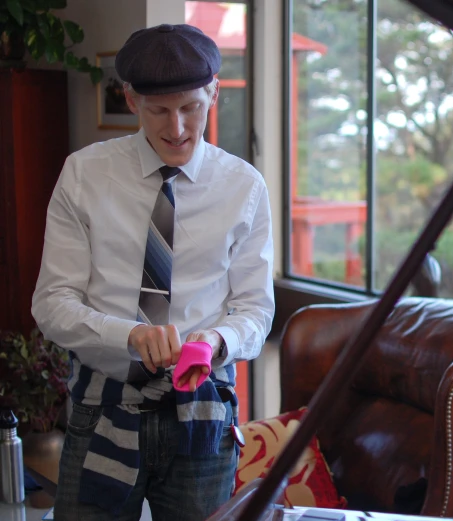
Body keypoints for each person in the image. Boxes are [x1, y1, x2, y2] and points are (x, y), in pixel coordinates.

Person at [31, 23, 274, 521]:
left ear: (213, 92)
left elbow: (255, 308)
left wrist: (216, 342)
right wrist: (130, 335)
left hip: (202, 412)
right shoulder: (84, 175)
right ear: (131, 99)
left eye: (191, 107)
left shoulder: (243, 186)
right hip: (101, 407)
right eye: (160, 110)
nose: (178, 128)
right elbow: (52, 304)